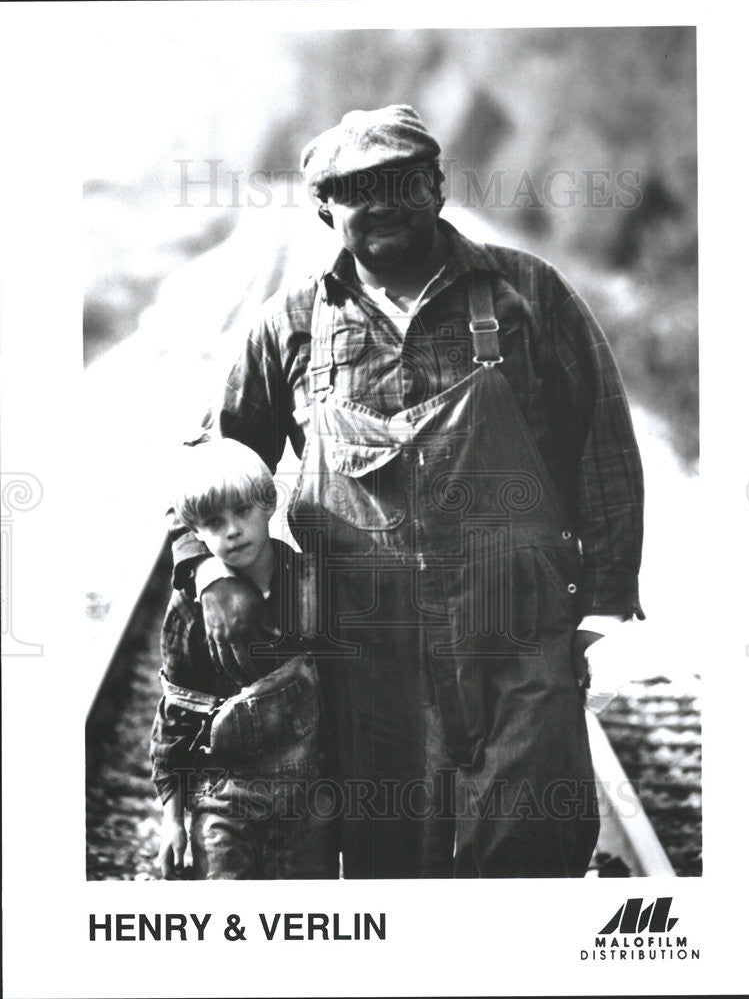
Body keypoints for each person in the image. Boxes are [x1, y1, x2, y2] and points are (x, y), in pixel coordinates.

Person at [170, 105, 645, 878]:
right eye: (356, 190)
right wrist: (212, 568)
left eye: (401, 183)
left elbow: (603, 447)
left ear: (437, 188)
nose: (382, 203)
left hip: (515, 636)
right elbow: (210, 460)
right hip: (365, 654)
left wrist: (603, 608)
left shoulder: (528, 294)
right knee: (393, 864)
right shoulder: (288, 327)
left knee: (525, 853)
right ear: (326, 209)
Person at [152, 438, 338, 879]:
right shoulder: (189, 609)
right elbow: (177, 712)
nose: (232, 530)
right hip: (222, 800)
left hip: (307, 801)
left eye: (242, 511)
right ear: (194, 531)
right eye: (214, 522)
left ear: (269, 502)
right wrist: (172, 819)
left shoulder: (311, 584)